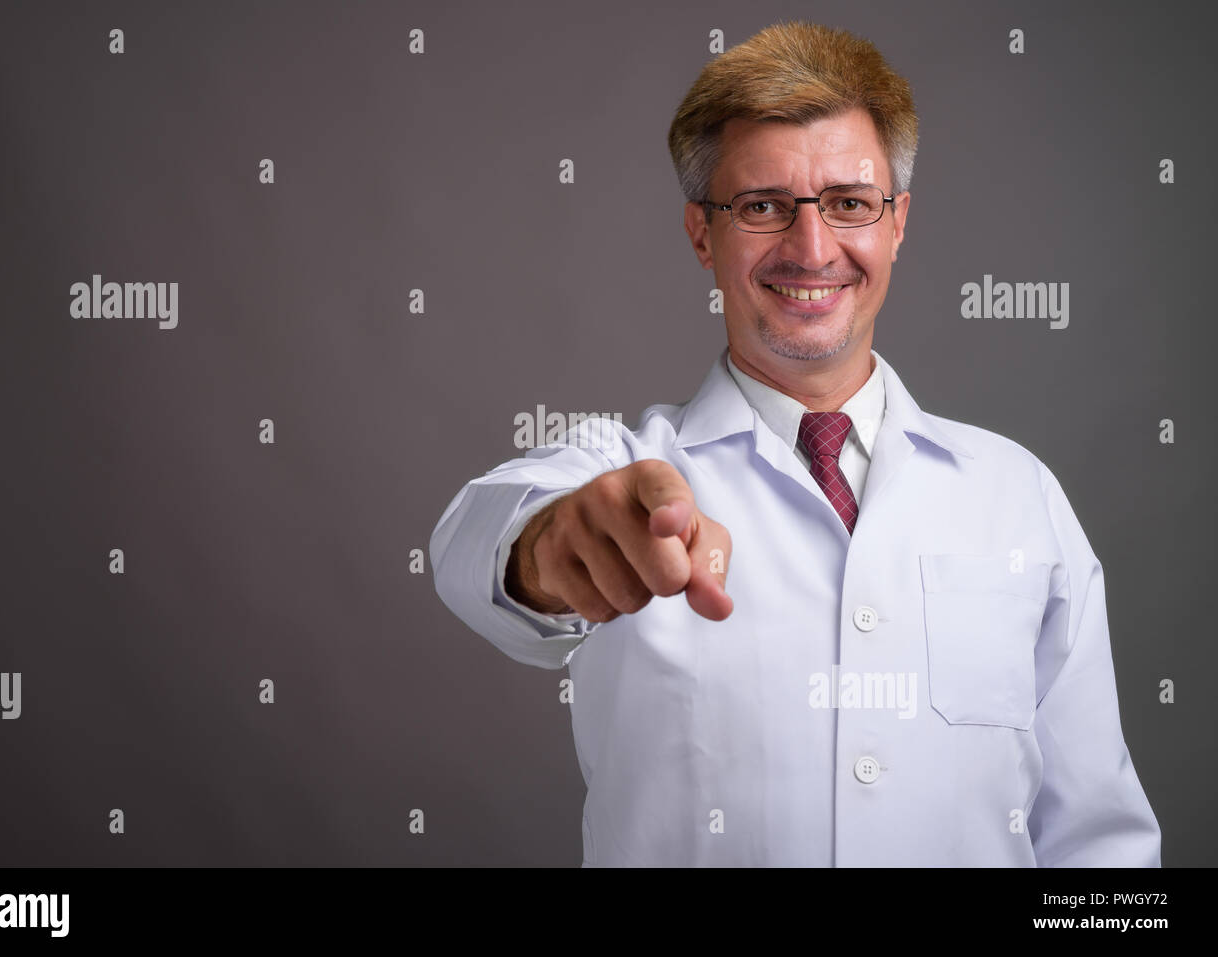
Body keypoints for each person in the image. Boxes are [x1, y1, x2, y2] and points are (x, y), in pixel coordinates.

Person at [429, 20, 1161, 867]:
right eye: (763, 206)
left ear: (897, 223)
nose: (813, 249)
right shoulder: (626, 471)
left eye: (849, 202)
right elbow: (472, 539)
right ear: (702, 233)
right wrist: (552, 549)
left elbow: (1101, 849)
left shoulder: (1018, 495)